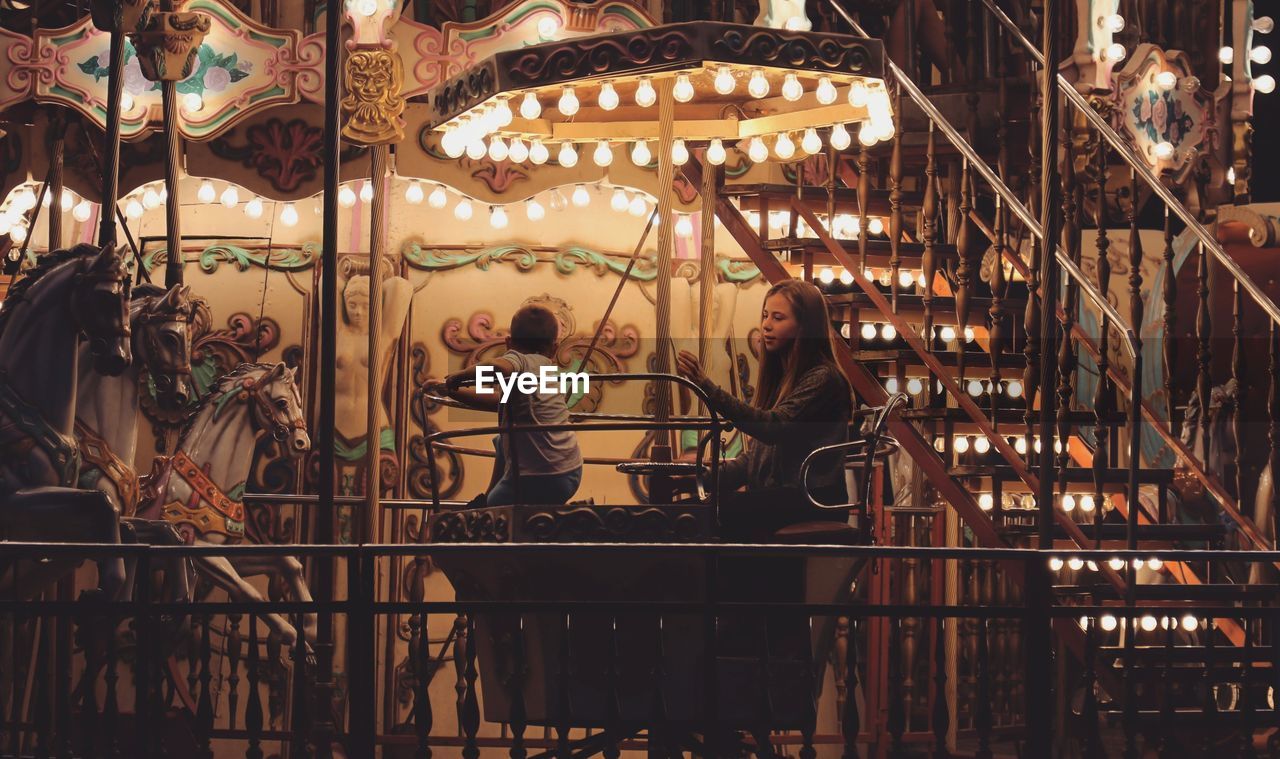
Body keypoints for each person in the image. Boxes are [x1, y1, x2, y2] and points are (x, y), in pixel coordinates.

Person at [675, 279, 852, 542]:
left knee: (713, 512)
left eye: (778, 318)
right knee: (685, 511)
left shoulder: (823, 378)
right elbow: (756, 458)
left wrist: (707, 387)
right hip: (789, 494)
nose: (766, 324)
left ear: (805, 326)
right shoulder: (785, 379)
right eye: (766, 315)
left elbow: (772, 428)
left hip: (812, 495)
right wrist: (698, 481)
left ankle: (720, 581)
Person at [429, 304, 583, 506]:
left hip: (537, 476)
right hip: (570, 470)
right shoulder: (547, 371)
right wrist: (452, 392)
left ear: (509, 343)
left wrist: (457, 377)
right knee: (502, 441)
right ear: (554, 348)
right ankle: (489, 494)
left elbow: (498, 366)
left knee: (494, 508)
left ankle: (487, 503)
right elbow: (496, 400)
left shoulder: (523, 360)